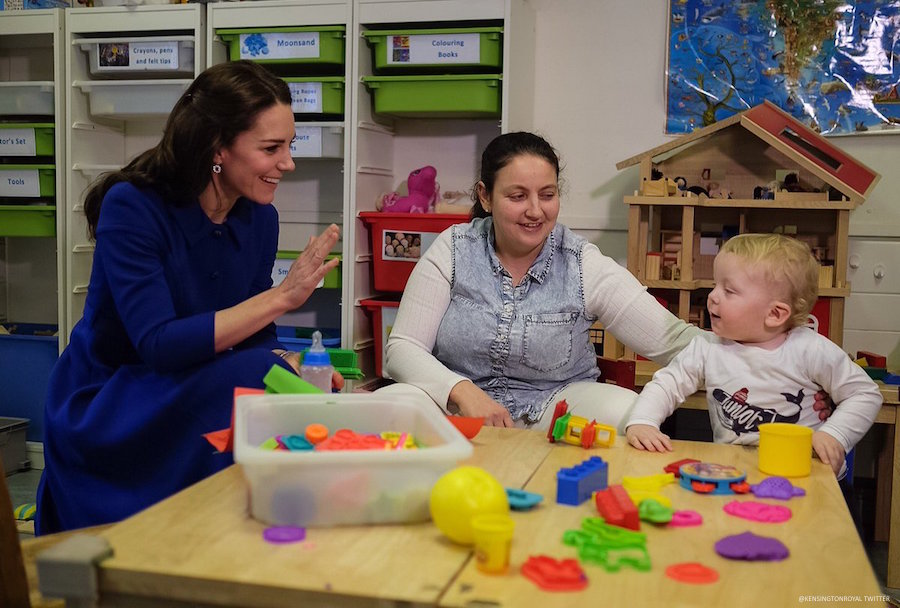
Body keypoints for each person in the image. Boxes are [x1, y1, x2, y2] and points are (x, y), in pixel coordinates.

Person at [36, 60, 341, 534]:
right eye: (271, 148)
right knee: (252, 375)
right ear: (218, 147)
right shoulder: (133, 205)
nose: (288, 163)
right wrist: (282, 298)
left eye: (290, 145)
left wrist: (295, 365)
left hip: (193, 382)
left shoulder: (259, 218)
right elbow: (158, 343)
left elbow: (258, 338)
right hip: (112, 398)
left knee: (283, 379)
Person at [381, 131, 706, 431]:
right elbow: (402, 349)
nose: (535, 211)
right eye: (518, 196)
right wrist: (462, 391)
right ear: (486, 196)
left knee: (627, 411)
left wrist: (749, 350)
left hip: (556, 407)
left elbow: (673, 341)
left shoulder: (581, 262)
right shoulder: (453, 248)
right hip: (459, 410)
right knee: (392, 404)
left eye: (547, 195)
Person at [624, 233, 882, 476]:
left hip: (805, 471)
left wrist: (834, 434)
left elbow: (864, 393)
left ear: (775, 314)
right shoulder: (708, 347)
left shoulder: (810, 348)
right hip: (734, 471)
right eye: (715, 286)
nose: (712, 297)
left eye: (729, 290)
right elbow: (666, 384)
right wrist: (643, 421)